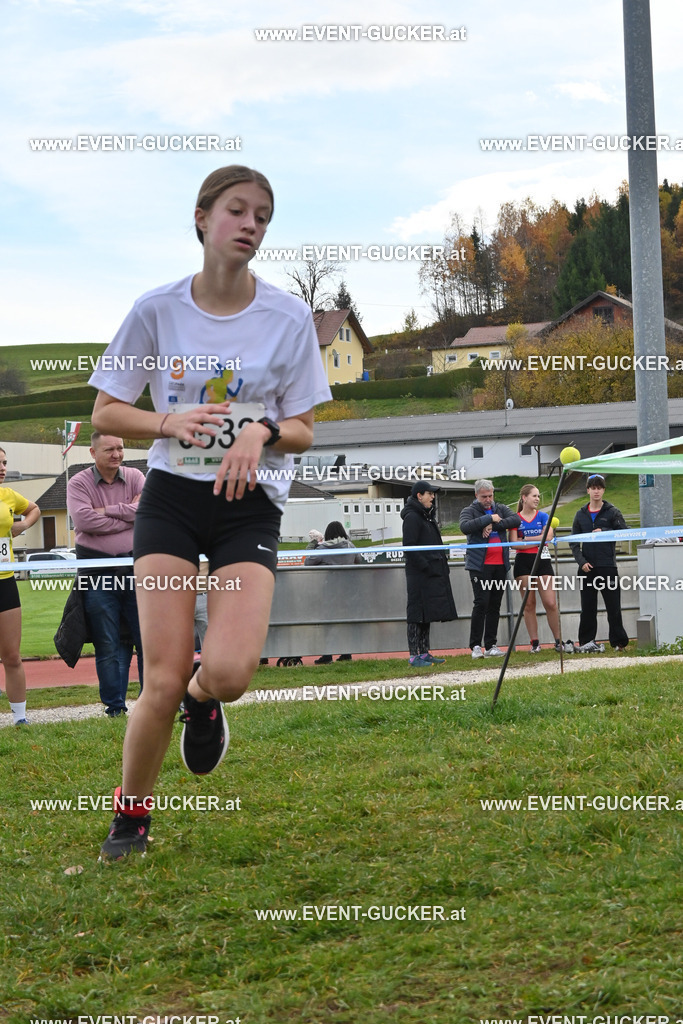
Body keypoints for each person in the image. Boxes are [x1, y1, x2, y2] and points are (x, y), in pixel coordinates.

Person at [88, 165, 331, 858]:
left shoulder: (287, 318)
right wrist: (168, 422)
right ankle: (130, 819)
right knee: (157, 679)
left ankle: (207, 700)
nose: (250, 224)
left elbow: (305, 429)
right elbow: (106, 410)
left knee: (226, 673)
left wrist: (260, 432)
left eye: (262, 215)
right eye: (236, 210)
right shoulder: (157, 310)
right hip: (170, 502)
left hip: (246, 510)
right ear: (202, 218)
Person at [67, 433, 145, 717]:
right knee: (107, 641)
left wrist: (107, 512)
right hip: (96, 570)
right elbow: (84, 520)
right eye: (109, 449)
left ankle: (151, 702)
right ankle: (115, 707)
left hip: (136, 568)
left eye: (120, 448)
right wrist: (127, 517)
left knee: (146, 639)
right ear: (92, 452)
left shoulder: (136, 476)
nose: (116, 454)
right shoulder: (79, 482)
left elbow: (146, 510)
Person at [0, 446, 41, 725]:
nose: (2, 468)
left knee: (12, 655)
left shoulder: (8, 495)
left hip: (5, 581)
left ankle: (20, 718)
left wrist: (22, 525)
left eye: (4, 463)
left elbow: (35, 508)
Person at [509, 484, 575, 654]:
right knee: (529, 604)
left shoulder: (544, 516)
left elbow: (548, 536)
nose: (537, 499)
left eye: (538, 496)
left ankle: (559, 641)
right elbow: (515, 544)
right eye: (534, 496)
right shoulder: (515, 519)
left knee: (550, 603)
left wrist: (527, 539)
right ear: (524, 498)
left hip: (543, 560)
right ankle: (535, 643)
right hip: (523, 562)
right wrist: (535, 540)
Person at [459, 478, 520, 659]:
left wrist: (492, 524)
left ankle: (491, 644)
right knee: (481, 603)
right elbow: (465, 527)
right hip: (480, 566)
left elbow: (515, 519)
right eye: (484, 496)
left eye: (490, 495)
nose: (488, 499)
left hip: (500, 565)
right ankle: (475, 646)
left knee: (495, 604)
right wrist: (487, 518)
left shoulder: (500, 508)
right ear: (476, 495)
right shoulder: (469, 511)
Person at [570, 474, 629, 653]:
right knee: (587, 608)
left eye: (599, 487)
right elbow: (573, 542)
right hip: (587, 569)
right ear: (588, 490)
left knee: (613, 606)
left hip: (607, 567)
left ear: (603, 490)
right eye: (593, 488)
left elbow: (625, 533)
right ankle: (587, 641)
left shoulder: (612, 512)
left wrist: (604, 531)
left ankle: (619, 642)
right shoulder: (580, 514)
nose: (596, 491)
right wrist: (582, 562)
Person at [400, 481, 456, 668]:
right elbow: (409, 547)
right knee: (416, 614)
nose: (433, 497)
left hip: (430, 573)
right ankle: (413, 656)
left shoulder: (426, 516)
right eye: (429, 494)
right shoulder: (412, 517)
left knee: (426, 614)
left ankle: (424, 653)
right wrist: (426, 567)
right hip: (418, 575)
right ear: (419, 496)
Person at [304, 521, 363, 663]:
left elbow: (307, 562)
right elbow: (359, 561)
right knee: (345, 622)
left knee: (328, 623)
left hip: (329, 591)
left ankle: (327, 655)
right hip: (348, 590)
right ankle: (346, 653)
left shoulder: (323, 548)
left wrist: (313, 543)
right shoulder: (349, 546)